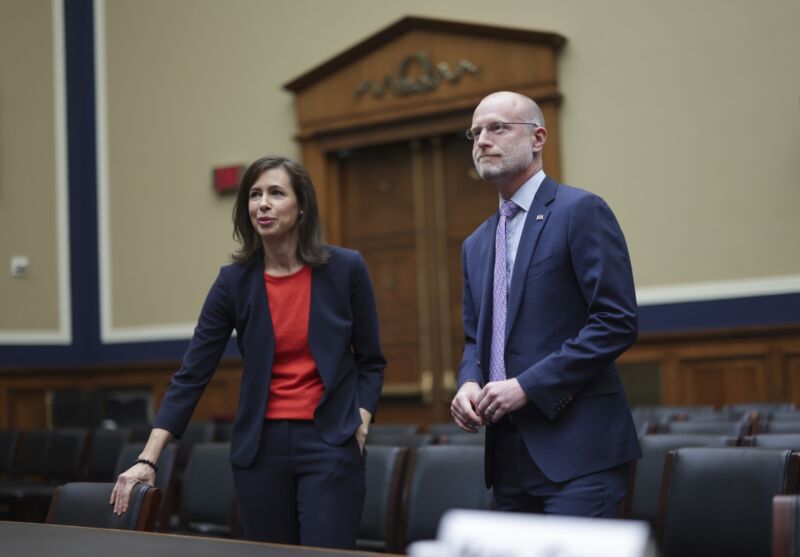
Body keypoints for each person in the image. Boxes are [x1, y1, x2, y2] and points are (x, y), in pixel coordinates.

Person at [111, 156, 385, 547]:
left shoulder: (345, 268)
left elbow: (371, 361)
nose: (263, 204)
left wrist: (360, 420)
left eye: (276, 193)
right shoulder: (233, 282)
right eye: (255, 195)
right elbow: (193, 372)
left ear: (302, 204)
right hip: (261, 450)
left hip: (329, 442)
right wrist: (148, 458)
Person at [450, 91, 641, 517]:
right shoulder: (476, 244)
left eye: (497, 127)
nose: (482, 140)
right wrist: (468, 381)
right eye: (476, 131)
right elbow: (473, 338)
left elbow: (616, 321)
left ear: (537, 138)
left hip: (579, 454)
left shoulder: (580, 210)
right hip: (506, 458)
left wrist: (528, 386)